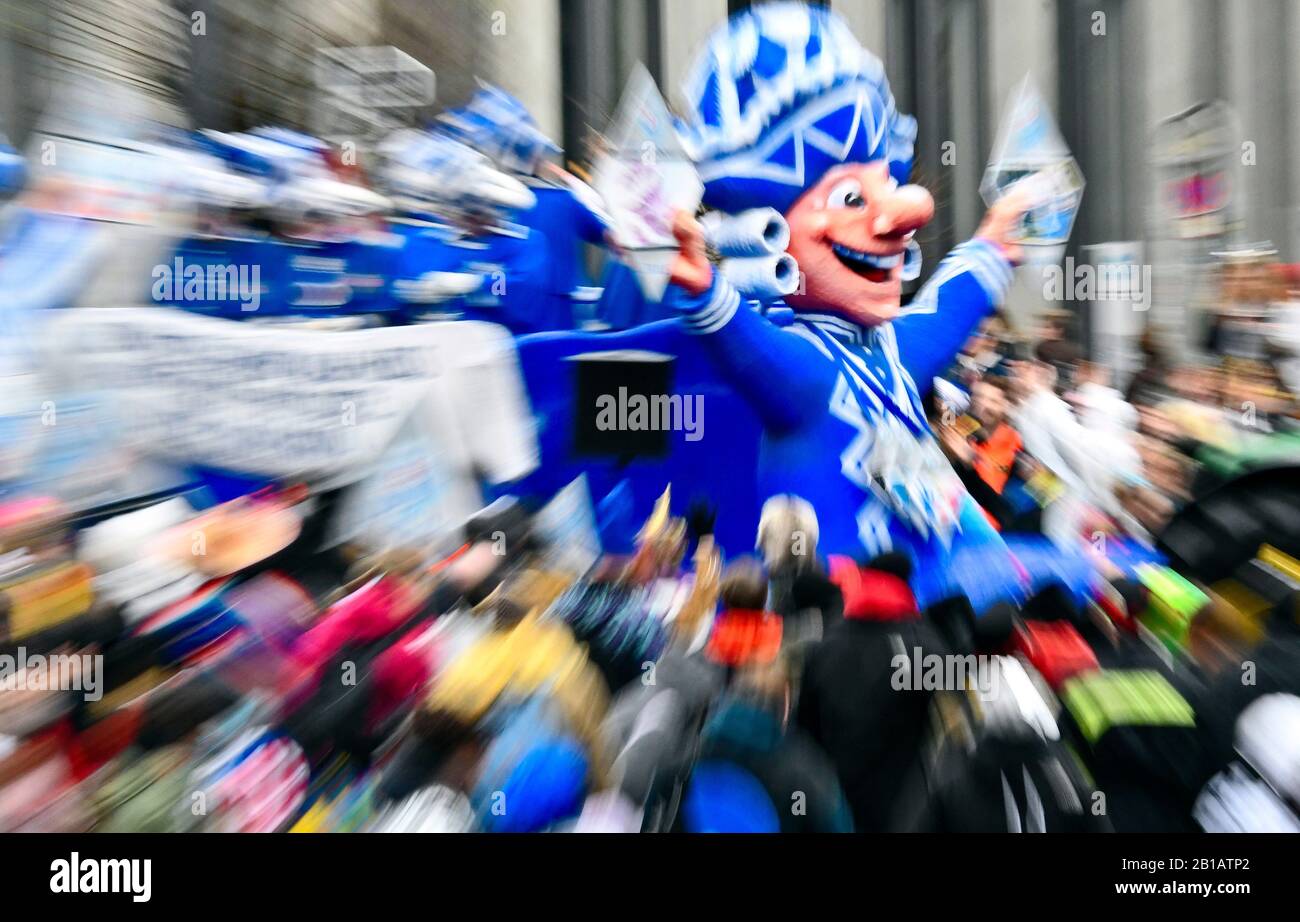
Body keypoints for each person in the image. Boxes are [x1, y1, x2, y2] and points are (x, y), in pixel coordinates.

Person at [661, 1, 1036, 610]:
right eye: (853, 197)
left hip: (939, 584)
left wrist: (990, 248)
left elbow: (941, 312)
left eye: (886, 186)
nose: (903, 213)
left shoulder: (888, 351)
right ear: (771, 232)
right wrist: (706, 293)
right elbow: (747, 350)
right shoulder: (808, 369)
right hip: (841, 597)